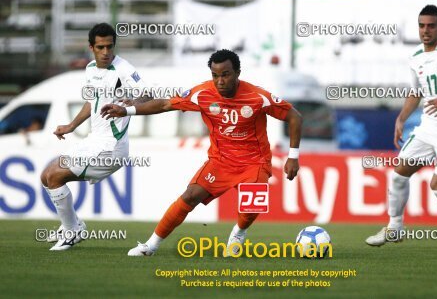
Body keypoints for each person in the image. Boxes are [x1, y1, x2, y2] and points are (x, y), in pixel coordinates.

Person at [100, 49, 303, 257]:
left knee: (250, 208)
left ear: (237, 73)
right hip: (220, 162)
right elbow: (165, 104)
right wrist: (127, 110)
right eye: (215, 75)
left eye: (225, 74)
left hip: (254, 163)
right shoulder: (202, 94)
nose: (220, 81)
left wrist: (293, 156)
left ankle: (238, 233)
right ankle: (150, 246)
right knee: (190, 196)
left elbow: (295, 117)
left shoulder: (258, 97)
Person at [365, 5, 437, 247]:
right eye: (421, 26)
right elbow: (416, 92)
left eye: (431, 26)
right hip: (428, 128)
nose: (425, 30)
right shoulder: (415, 57)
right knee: (399, 174)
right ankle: (394, 227)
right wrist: (401, 118)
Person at [40, 23, 151, 251]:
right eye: (100, 47)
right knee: (46, 176)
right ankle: (70, 225)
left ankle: (73, 231)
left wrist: (134, 103)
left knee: (54, 176)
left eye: (109, 46)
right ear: (91, 47)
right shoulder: (91, 68)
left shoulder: (123, 69)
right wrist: (71, 126)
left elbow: (147, 94)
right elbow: (92, 102)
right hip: (93, 141)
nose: (106, 52)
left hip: (112, 147)